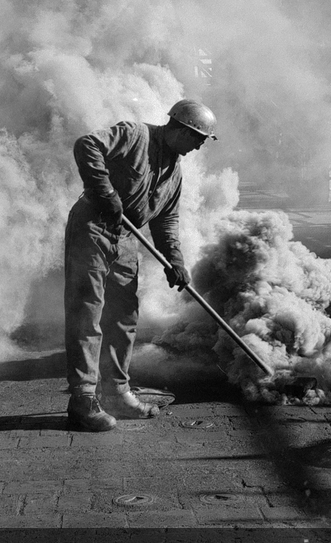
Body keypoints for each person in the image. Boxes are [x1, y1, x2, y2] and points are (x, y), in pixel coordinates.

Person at [64, 99, 218, 431]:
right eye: (198, 138)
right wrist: (105, 191)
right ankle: (82, 400)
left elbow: (166, 221)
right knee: (87, 312)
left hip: (126, 240)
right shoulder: (134, 134)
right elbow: (87, 145)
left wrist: (174, 261)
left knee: (123, 317)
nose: (199, 146)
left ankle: (117, 393)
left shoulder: (174, 173)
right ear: (180, 129)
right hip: (92, 226)